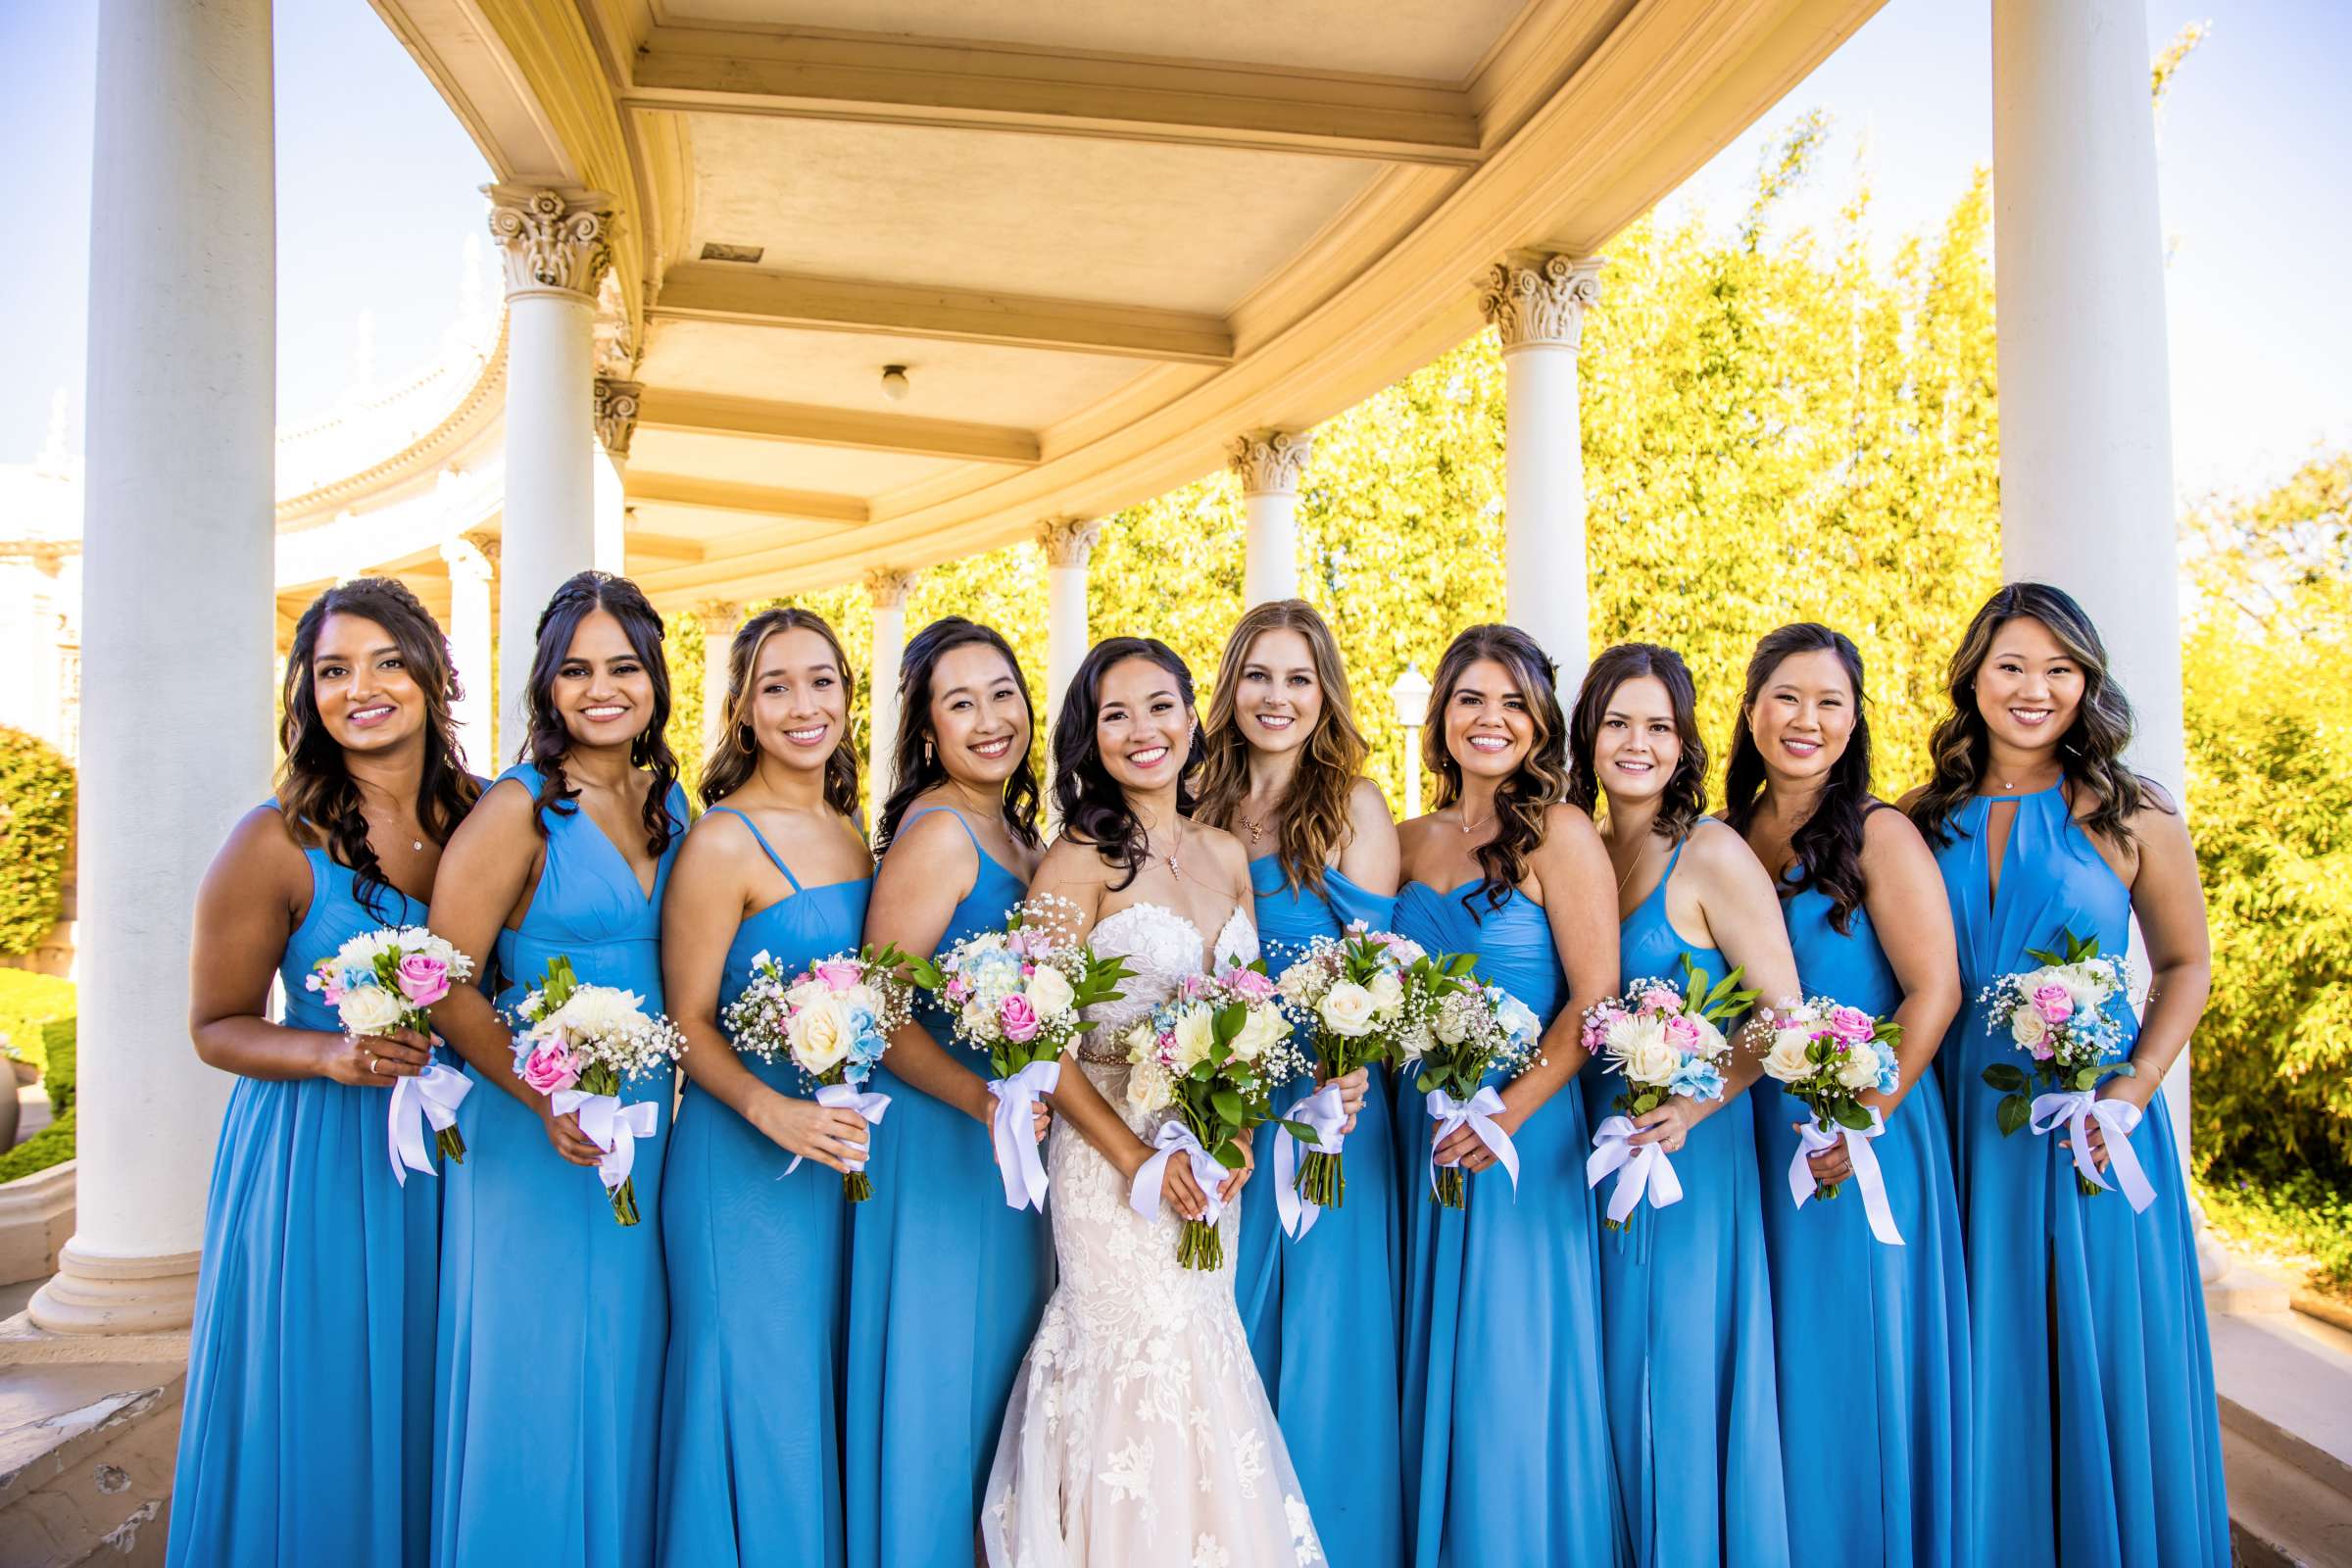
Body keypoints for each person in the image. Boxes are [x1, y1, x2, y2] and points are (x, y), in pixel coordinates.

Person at [980, 636, 1321, 1568]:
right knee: (1134, 1359)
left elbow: (1249, 1018)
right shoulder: (1075, 862)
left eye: (1160, 707)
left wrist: (1239, 1135)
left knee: (1203, 1353)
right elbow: (1034, 1039)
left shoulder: (1223, 852)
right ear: (1090, 737)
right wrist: (1138, 1160)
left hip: (1212, 1170)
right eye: (1116, 714)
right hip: (1112, 1170)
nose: (1143, 731)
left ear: (1190, 718)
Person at [1908, 582, 2227, 1566]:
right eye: (2012, 665)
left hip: (2092, 1127)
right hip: (1958, 1124)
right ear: (1974, 677)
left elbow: (2186, 964)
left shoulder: (2130, 811)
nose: (2035, 688)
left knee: (2090, 1351)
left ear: (2087, 680)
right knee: (1976, 1348)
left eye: (2059, 668)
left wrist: (2135, 1086)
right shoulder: (1922, 818)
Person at [172, 578, 478, 1568]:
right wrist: (329, 1053)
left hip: (466, 1160)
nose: (363, 687)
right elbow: (216, 1025)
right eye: (334, 670)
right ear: (307, 694)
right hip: (320, 1166)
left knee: (448, 1393)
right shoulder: (272, 840)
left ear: (433, 676)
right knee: (329, 1397)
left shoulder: (484, 819)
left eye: (388, 661)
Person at [426, 571, 688, 1567]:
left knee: (624, 1364)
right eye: (576, 670)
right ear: (546, 685)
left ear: (655, 677)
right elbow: (442, 978)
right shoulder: (518, 809)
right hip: (538, 1140)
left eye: (623, 665)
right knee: (536, 1375)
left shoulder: (671, 801)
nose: (602, 688)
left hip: (647, 1143)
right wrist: (543, 1095)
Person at [1724, 622, 1970, 1567]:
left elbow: (1933, 989)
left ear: (1855, 720)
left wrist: (1862, 1115)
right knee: (1781, 1377)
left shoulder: (1879, 833)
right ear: (1752, 711)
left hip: (1863, 1136)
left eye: (1830, 702)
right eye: (1787, 697)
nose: (1806, 720)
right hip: (1753, 1142)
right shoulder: (1729, 839)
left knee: (1853, 1371)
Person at [1392, 623, 1627, 1568]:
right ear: (1442, 715)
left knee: (1507, 1365)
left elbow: (1596, 997)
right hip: (1418, 1128)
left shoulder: (1560, 832)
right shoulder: (1409, 841)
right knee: (1431, 1356)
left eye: (1512, 703)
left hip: (1517, 1130)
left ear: (1540, 723)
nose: (1490, 720)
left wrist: (1506, 1112)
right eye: (1470, 699)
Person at [1568, 641, 1792, 1568]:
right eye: (1618, 722)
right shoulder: (1571, 846)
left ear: (1685, 742)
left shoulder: (1710, 854)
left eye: (1658, 726)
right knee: (1604, 1384)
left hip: (1686, 1164)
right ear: (1587, 736)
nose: (1636, 742)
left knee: (1675, 1382)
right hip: (1580, 1159)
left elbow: (1785, 1017)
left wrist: (1695, 1107)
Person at [1195, 600, 1401, 1568]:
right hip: (1214, 1112)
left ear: (1326, 695)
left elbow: (1376, 969)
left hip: (1328, 1123)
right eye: (1259, 675)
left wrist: (1343, 1071)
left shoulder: (1352, 807)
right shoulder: (1191, 799)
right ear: (1230, 685)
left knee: (1323, 1357)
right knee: (1218, 1339)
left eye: (1298, 678)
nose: (1276, 697)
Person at [845, 617, 1054, 1568]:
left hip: (1005, 1152)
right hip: (943, 1151)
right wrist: (984, 1102)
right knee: (943, 1385)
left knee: (1000, 1390)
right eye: (959, 702)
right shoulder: (936, 833)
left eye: (1002, 693)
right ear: (926, 728)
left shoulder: (1014, 832)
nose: (988, 718)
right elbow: (880, 1018)